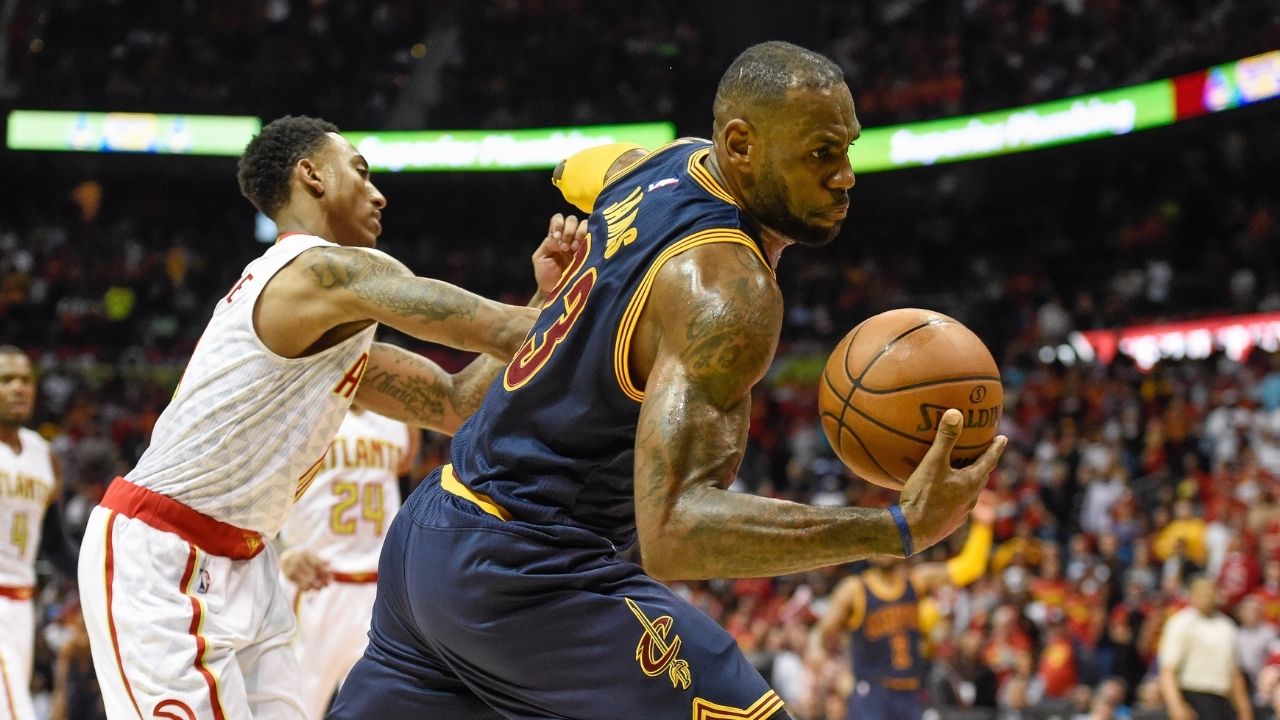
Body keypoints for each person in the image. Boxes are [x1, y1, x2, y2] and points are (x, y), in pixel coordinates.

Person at [332, 41, 1005, 720]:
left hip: (431, 536)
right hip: (525, 570)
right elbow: (673, 532)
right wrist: (895, 527)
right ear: (740, 144)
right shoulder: (728, 290)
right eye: (820, 153)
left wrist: (580, 203)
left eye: (847, 149)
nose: (845, 176)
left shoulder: (661, 163)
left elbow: (586, 168)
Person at [75, 115, 579, 719]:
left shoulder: (328, 326)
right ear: (311, 175)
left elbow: (452, 403)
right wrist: (618, 274)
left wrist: (549, 299)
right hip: (161, 552)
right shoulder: (315, 271)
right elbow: (498, 330)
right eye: (361, 172)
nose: (378, 192)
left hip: (248, 561)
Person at [276, 404, 420, 719]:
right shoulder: (304, 409)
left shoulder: (395, 419)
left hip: (378, 590)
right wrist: (280, 552)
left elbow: (406, 462)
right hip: (317, 583)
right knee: (293, 710)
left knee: (378, 710)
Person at [812, 492, 995, 720]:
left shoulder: (917, 581)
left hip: (910, 692)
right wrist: (834, 674)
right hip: (872, 692)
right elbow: (819, 638)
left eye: (887, 537)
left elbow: (969, 568)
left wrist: (984, 526)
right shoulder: (854, 590)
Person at [0, 346, 77, 720]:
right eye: (7, 380)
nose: (19, 388)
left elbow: (56, 545)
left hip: (21, 604)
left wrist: (101, 579)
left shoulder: (43, 454)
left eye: (26, 380)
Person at [1157, 575, 1254, 720]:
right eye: (1202, 593)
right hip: (1191, 695)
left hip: (1222, 700)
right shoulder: (1180, 623)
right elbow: (1168, 670)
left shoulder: (1227, 627)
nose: (1207, 598)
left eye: (1210, 593)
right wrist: (1176, 705)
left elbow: (1235, 673)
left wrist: (1244, 709)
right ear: (1192, 596)